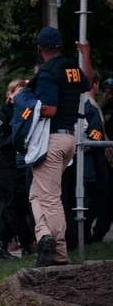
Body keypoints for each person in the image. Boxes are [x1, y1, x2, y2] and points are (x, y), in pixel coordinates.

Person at [25, 27, 92, 267]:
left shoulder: (47, 72)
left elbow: (49, 109)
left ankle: (60, 255)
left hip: (51, 140)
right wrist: (86, 55)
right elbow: (87, 83)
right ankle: (44, 237)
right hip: (69, 139)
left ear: (39, 49)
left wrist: (27, 103)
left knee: (51, 198)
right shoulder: (72, 68)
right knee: (36, 193)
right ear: (60, 46)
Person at [0, 78, 34, 259]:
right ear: (9, 94)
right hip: (8, 166)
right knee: (9, 206)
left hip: (24, 165)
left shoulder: (26, 112)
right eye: (18, 92)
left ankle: (11, 245)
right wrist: (18, 139)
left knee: (21, 206)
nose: (22, 96)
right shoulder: (2, 114)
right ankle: (16, 244)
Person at [81, 72, 109, 243]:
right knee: (93, 199)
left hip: (89, 159)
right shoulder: (90, 105)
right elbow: (96, 136)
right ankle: (85, 236)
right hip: (91, 161)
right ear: (95, 85)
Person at [92, 77, 113, 241]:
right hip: (106, 159)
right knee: (104, 199)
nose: (105, 94)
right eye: (105, 91)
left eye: (109, 92)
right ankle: (98, 234)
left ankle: (98, 233)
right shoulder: (102, 108)